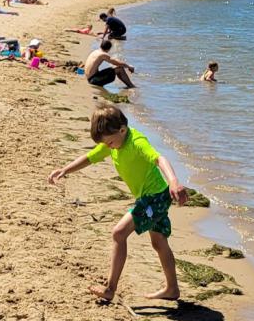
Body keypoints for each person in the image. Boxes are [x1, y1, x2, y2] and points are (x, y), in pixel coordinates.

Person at [49, 104, 189, 303]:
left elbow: (160, 159)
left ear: (122, 130)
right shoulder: (112, 143)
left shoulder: (136, 141)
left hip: (155, 197)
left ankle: (110, 288)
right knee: (159, 243)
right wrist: (65, 170)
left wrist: (174, 181)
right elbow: (90, 157)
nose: (108, 147)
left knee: (119, 233)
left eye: (110, 142)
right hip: (149, 196)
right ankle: (172, 289)